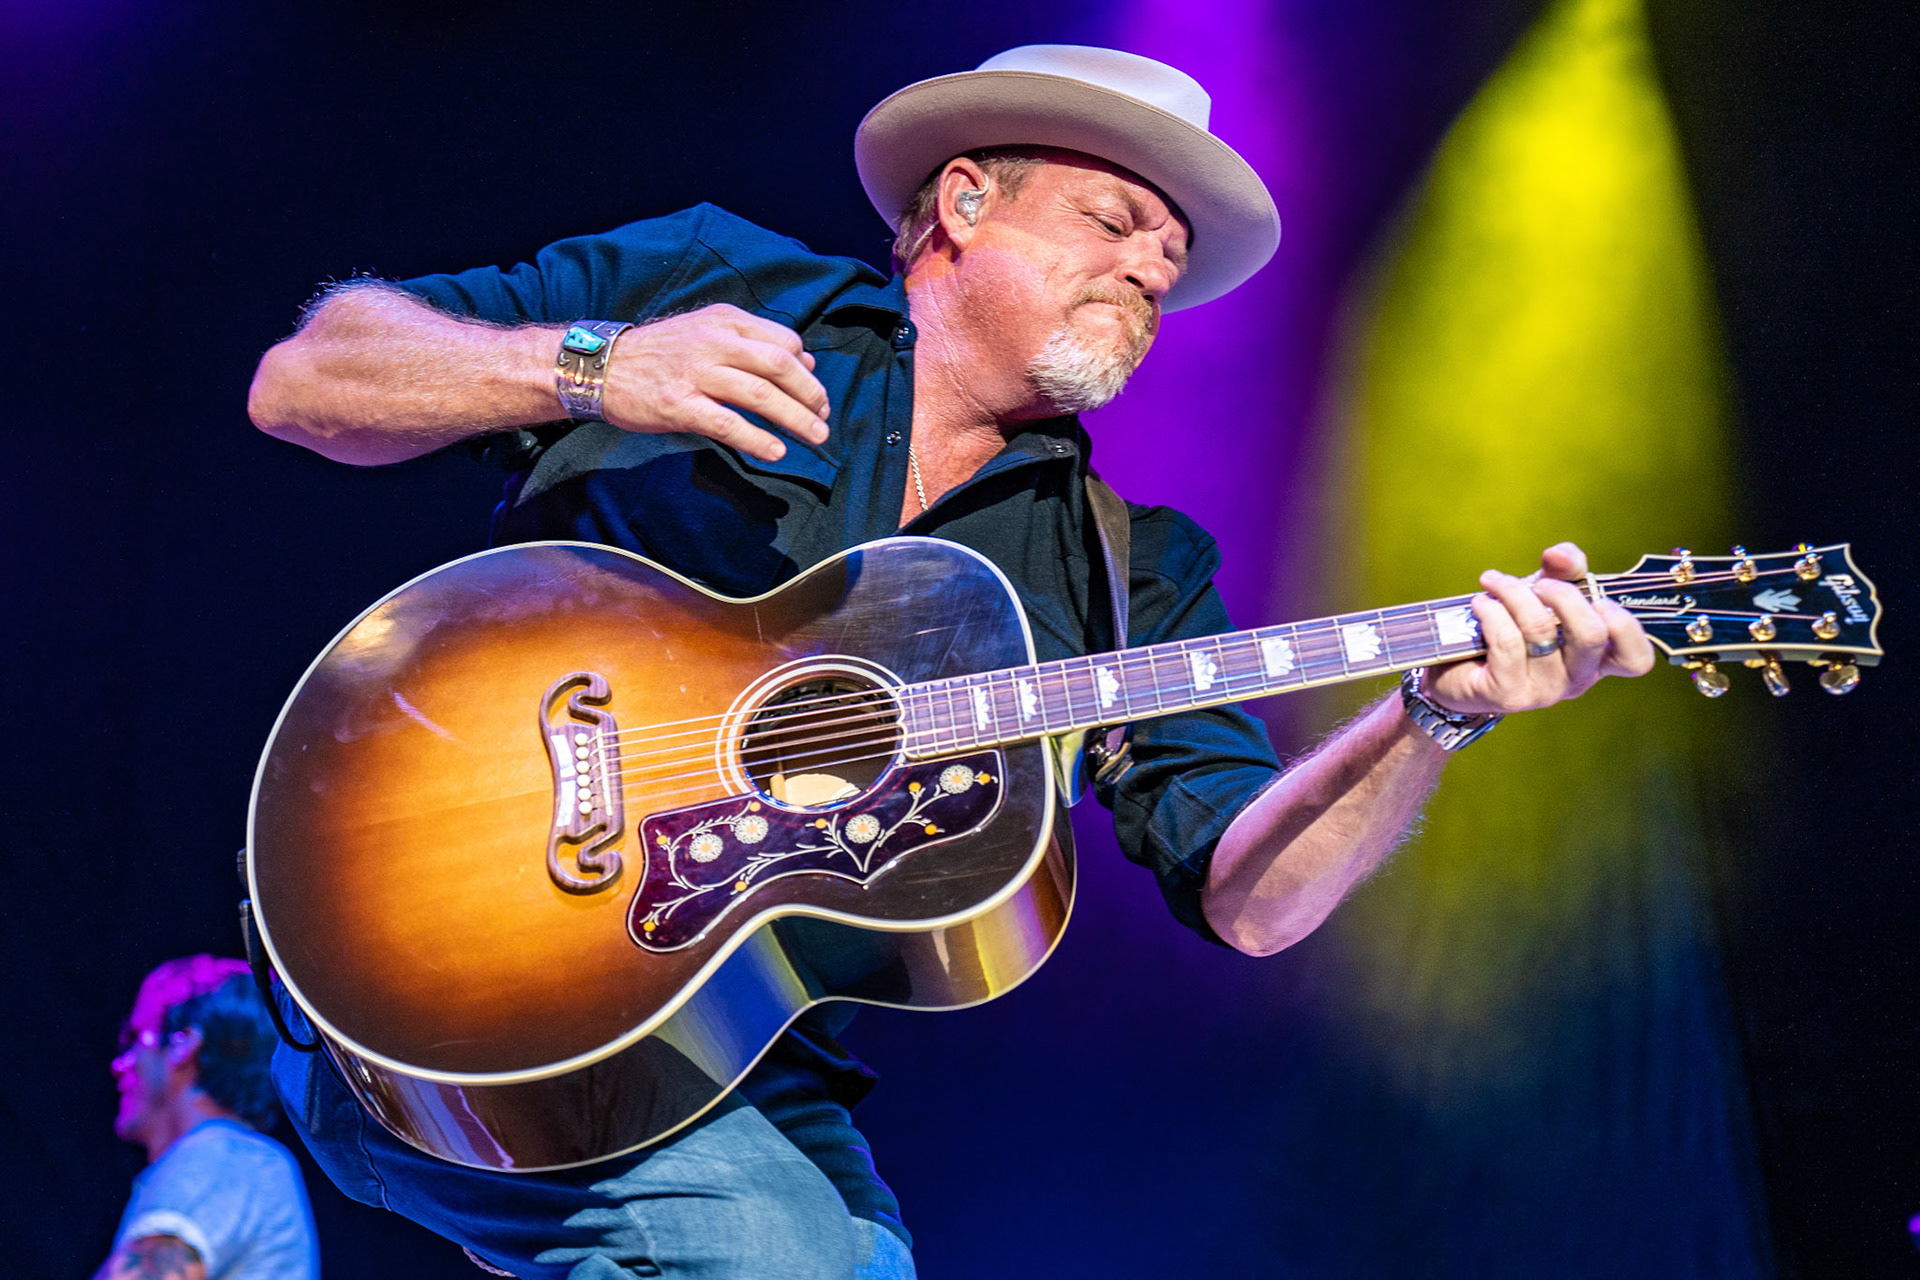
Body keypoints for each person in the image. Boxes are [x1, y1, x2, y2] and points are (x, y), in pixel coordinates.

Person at [246, 44, 1655, 1280]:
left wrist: (1432, 715)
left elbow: (1255, 898)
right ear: (966, 201)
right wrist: (594, 368)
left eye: (1167, 265)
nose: (1148, 275)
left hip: (717, 1066)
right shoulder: (722, 284)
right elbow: (307, 381)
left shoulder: (1129, 569)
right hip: (416, 952)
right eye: (1113, 222)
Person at [97, 956, 319, 1280]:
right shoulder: (237, 1162)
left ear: (182, 1044)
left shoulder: (220, 1159)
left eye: (135, 1038)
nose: (120, 1064)